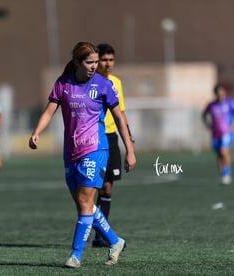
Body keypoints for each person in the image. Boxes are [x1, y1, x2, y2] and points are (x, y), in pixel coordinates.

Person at [29, 42, 136, 268]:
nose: (94, 66)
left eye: (96, 62)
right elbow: (49, 111)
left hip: (96, 149)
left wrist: (130, 149)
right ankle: (115, 242)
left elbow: (119, 119)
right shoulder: (63, 83)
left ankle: (75, 255)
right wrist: (37, 132)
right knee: (84, 205)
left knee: (84, 200)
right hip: (71, 152)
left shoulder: (104, 85)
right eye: (90, 62)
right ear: (77, 62)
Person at [92, 43, 134, 247]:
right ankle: (95, 232)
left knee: (107, 188)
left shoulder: (116, 82)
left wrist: (129, 139)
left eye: (111, 60)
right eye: (104, 60)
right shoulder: (90, 82)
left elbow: (121, 113)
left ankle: (101, 234)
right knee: (94, 188)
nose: (108, 64)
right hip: (93, 139)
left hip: (111, 138)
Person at [202, 83, 234, 185]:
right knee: (219, 154)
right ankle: (223, 173)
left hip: (226, 133)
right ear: (215, 93)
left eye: (222, 92)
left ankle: (227, 174)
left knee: (223, 151)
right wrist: (208, 124)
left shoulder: (229, 103)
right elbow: (204, 115)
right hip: (215, 133)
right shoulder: (211, 105)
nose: (221, 94)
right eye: (218, 92)